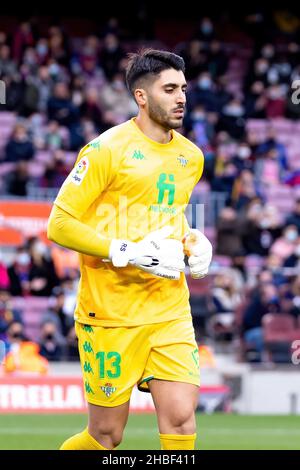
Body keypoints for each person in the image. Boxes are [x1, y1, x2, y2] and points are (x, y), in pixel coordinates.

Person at [47, 49, 212, 451]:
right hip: (110, 313)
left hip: (168, 308)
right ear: (141, 96)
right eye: (169, 89)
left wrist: (194, 239)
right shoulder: (106, 150)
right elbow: (59, 224)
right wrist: (127, 250)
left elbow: (172, 217)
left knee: (180, 419)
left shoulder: (191, 156)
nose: (181, 98)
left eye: (183, 89)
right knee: (106, 436)